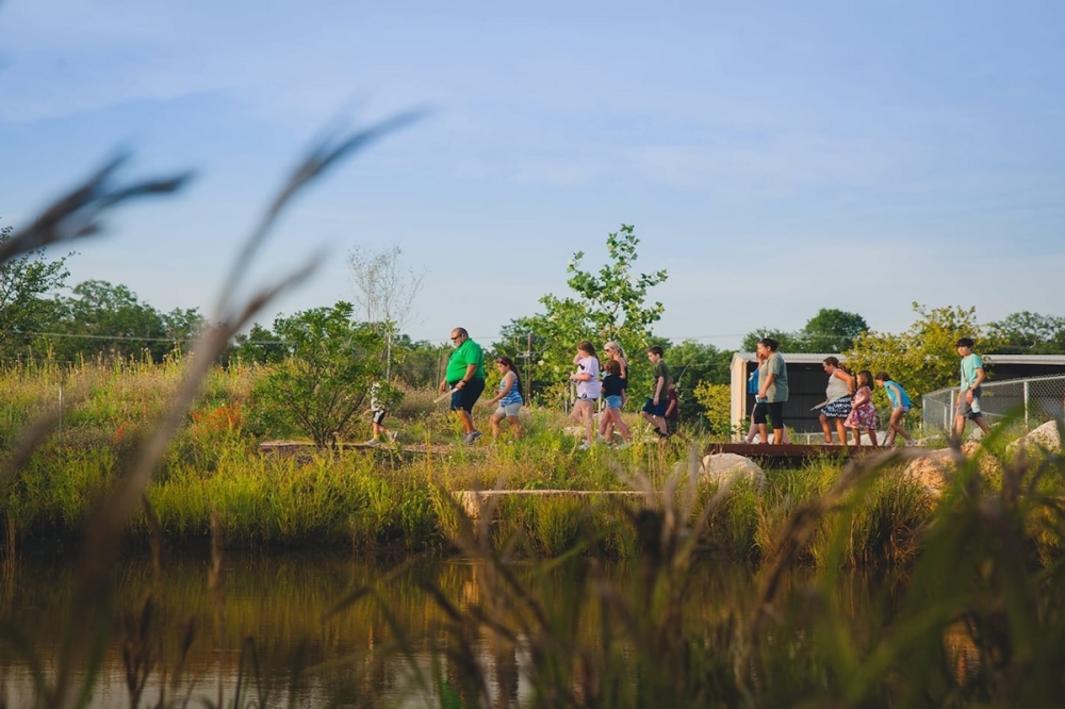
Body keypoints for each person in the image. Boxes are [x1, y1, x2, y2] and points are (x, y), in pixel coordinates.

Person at [439, 327, 486, 445]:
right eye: (452, 339)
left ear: (463, 336)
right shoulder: (458, 350)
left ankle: (472, 432)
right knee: (464, 409)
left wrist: (464, 381)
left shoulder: (471, 347)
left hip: (470, 381)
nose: (453, 341)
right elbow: (453, 367)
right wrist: (445, 380)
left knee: (458, 406)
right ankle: (469, 437)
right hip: (459, 382)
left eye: (455, 338)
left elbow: (472, 366)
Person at [954, 337, 992, 440]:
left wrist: (971, 390)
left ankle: (956, 442)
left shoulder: (974, 357)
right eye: (958, 347)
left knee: (961, 415)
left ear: (969, 347)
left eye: (963, 347)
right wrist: (960, 394)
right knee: (975, 416)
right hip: (965, 390)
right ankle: (992, 437)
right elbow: (964, 380)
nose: (960, 349)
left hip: (972, 389)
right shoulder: (963, 361)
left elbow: (981, 375)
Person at [754, 338, 789, 445]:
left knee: (775, 416)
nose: (759, 350)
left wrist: (764, 388)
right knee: (758, 413)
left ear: (768, 348)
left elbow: (772, 375)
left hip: (774, 393)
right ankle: (764, 441)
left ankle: (778, 443)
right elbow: (760, 372)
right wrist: (760, 361)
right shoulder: (768, 359)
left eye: (760, 348)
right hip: (766, 395)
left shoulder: (775, 358)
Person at [570, 341, 602, 450]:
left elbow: (587, 377)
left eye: (579, 351)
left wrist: (575, 376)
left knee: (587, 416)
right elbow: (575, 361)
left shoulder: (591, 360)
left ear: (585, 351)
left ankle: (590, 441)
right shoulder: (585, 360)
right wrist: (578, 355)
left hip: (587, 392)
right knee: (575, 415)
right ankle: (591, 435)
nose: (578, 353)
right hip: (582, 392)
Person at [818, 357, 855, 445]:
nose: (824, 369)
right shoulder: (835, 373)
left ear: (831, 365)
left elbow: (850, 379)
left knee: (838, 420)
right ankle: (829, 441)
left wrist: (850, 391)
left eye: (825, 366)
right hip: (834, 400)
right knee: (823, 418)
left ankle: (843, 444)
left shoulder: (837, 371)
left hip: (841, 399)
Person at [485, 356, 523, 441]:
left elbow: (506, 390)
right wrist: (498, 392)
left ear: (508, 366)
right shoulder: (506, 375)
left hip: (512, 401)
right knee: (494, 419)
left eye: (501, 366)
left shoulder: (510, 374)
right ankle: (495, 441)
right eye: (498, 366)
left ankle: (519, 442)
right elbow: (506, 390)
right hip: (504, 403)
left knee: (512, 421)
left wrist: (493, 400)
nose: (499, 369)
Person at [875, 372, 915, 446]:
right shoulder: (892, 383)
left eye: (877, 382)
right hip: (904, 404)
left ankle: (909, 439)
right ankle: (890, 443)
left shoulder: (887, 384)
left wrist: (899, 404)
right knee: (895, 424)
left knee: (892, 423)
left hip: (900, 405)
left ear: (881, 380)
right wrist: (893, 407)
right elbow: (893, 397)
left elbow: (897, 391)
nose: (877, 384)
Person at [598, 358, 632, 445]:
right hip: (617, 400)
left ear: (608, 368)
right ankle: (599, 440)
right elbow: (622, 393)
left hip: (610, 401)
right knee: (604, 421)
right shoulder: (620, 380)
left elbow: (602, 390)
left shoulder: (607, 379)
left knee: (618, 421)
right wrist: (623, 403)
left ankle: (628, 440)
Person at [641, 346, 671, 437]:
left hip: (660, 395)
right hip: (657, 394)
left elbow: (661, 379)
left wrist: (657, 395)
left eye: (650, 356)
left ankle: (664, 433)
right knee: (645, 413)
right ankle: (662, 430)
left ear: (657, 355)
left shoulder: (660, 365)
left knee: (658, 416)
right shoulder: (662, 365)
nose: (649, 358)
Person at [844, 370, 879, 447]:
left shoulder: (865, 388)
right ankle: (860, 444)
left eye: (858, 378)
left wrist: (857, 404)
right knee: (855, 425)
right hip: (861, 410)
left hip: (863, 409)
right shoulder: (861, 388)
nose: (857, 380)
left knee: (864, 427)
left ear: (864, 379)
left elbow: (867, 398)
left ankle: (869, 444)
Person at [365, 380, 396, 444]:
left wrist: (384, 406)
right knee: (377, 424)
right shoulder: (373, 385)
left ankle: (376, 439)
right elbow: (374, 398)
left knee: (375, 423)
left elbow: (384, 397)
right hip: (376, 408)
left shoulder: (379, 385)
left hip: (379, 409)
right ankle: (390, 434)